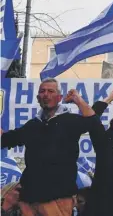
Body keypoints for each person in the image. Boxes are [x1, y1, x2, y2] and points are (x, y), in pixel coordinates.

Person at [1, 80, 101, 216]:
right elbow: (7, 139)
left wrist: (77, 99)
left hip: (58, 199)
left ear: (59, 98)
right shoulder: (32, 125)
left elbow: (93, 122)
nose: (46, 94)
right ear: (38, 98)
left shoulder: (70, 120)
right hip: (29, 199)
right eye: (42, 91)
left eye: (51, 91)